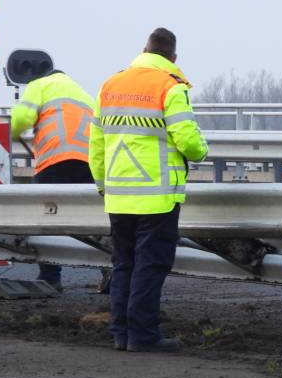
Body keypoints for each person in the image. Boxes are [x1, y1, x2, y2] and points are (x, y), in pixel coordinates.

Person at [88, 28, 208, 353]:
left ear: (143, 50)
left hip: (117, 195)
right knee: (150, 265)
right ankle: (143, 335)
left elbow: (96, 145)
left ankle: (121, 333)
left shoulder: (109, 86)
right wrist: (201, 150)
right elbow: (189, 143)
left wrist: (102, 185)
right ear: (173, 57)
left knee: (123, 263)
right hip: (157, 196)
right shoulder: (170, 86)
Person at [10, 62, 95, 291]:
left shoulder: (40, 85)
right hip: (90, 163)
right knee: (93, 222)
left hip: (55, 160)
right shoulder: (86, 95)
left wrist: (15, 133)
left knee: (48, 218)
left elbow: (20, 119)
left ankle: (51, 277)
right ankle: (109, 272)